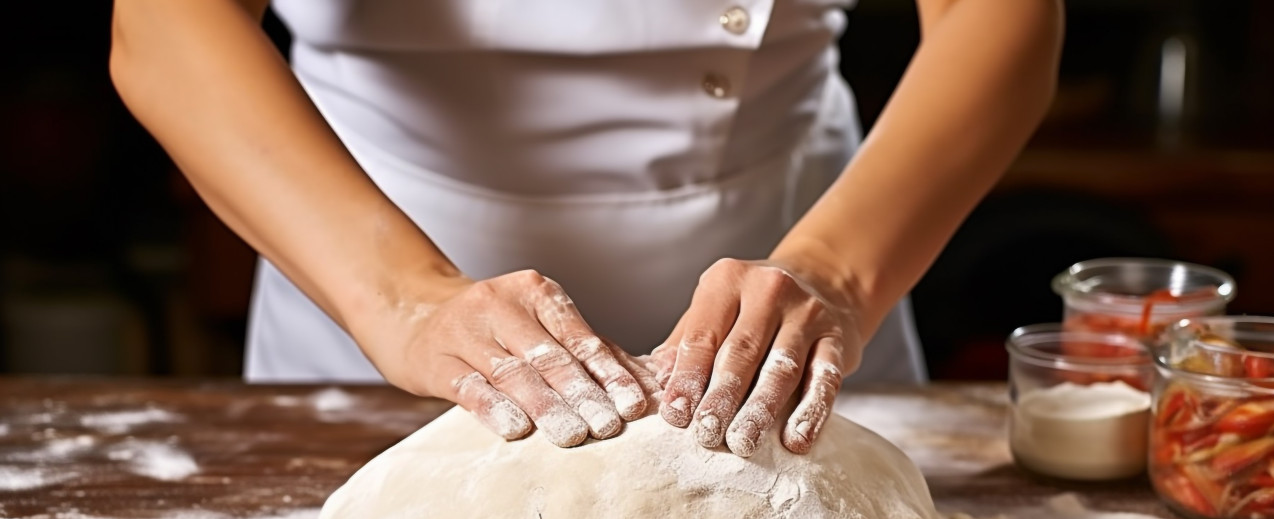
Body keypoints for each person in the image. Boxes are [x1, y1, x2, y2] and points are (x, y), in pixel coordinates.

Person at [110, 0, 1063, 455]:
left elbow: (1002, 17)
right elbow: (162, 23)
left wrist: (838, 273)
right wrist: (400, 299)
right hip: (364, 269)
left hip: (796, 276)